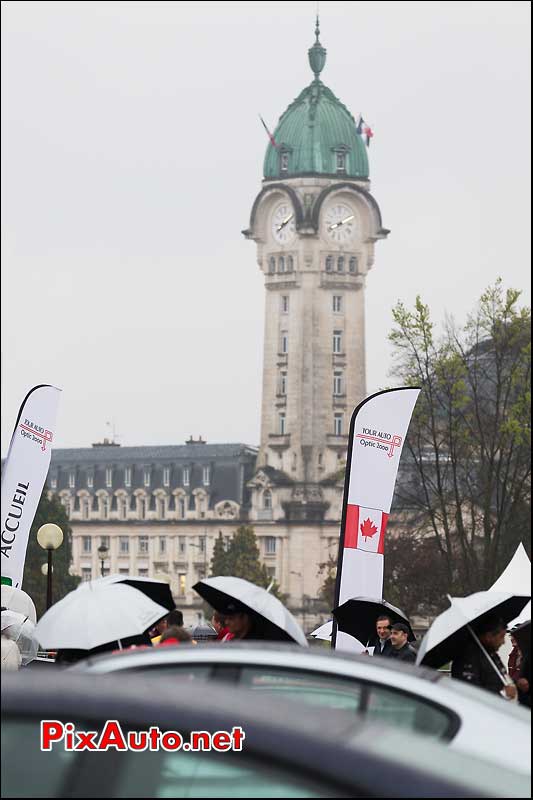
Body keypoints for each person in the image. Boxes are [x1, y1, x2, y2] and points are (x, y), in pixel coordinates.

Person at [451, 615, 517, 700]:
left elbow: (500, 677)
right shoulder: (468, 657)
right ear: (488, 636)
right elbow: (469, 691)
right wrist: (502, 693)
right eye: (501, 636)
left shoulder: (490, 654)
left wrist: (516, 683)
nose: (503, 642)